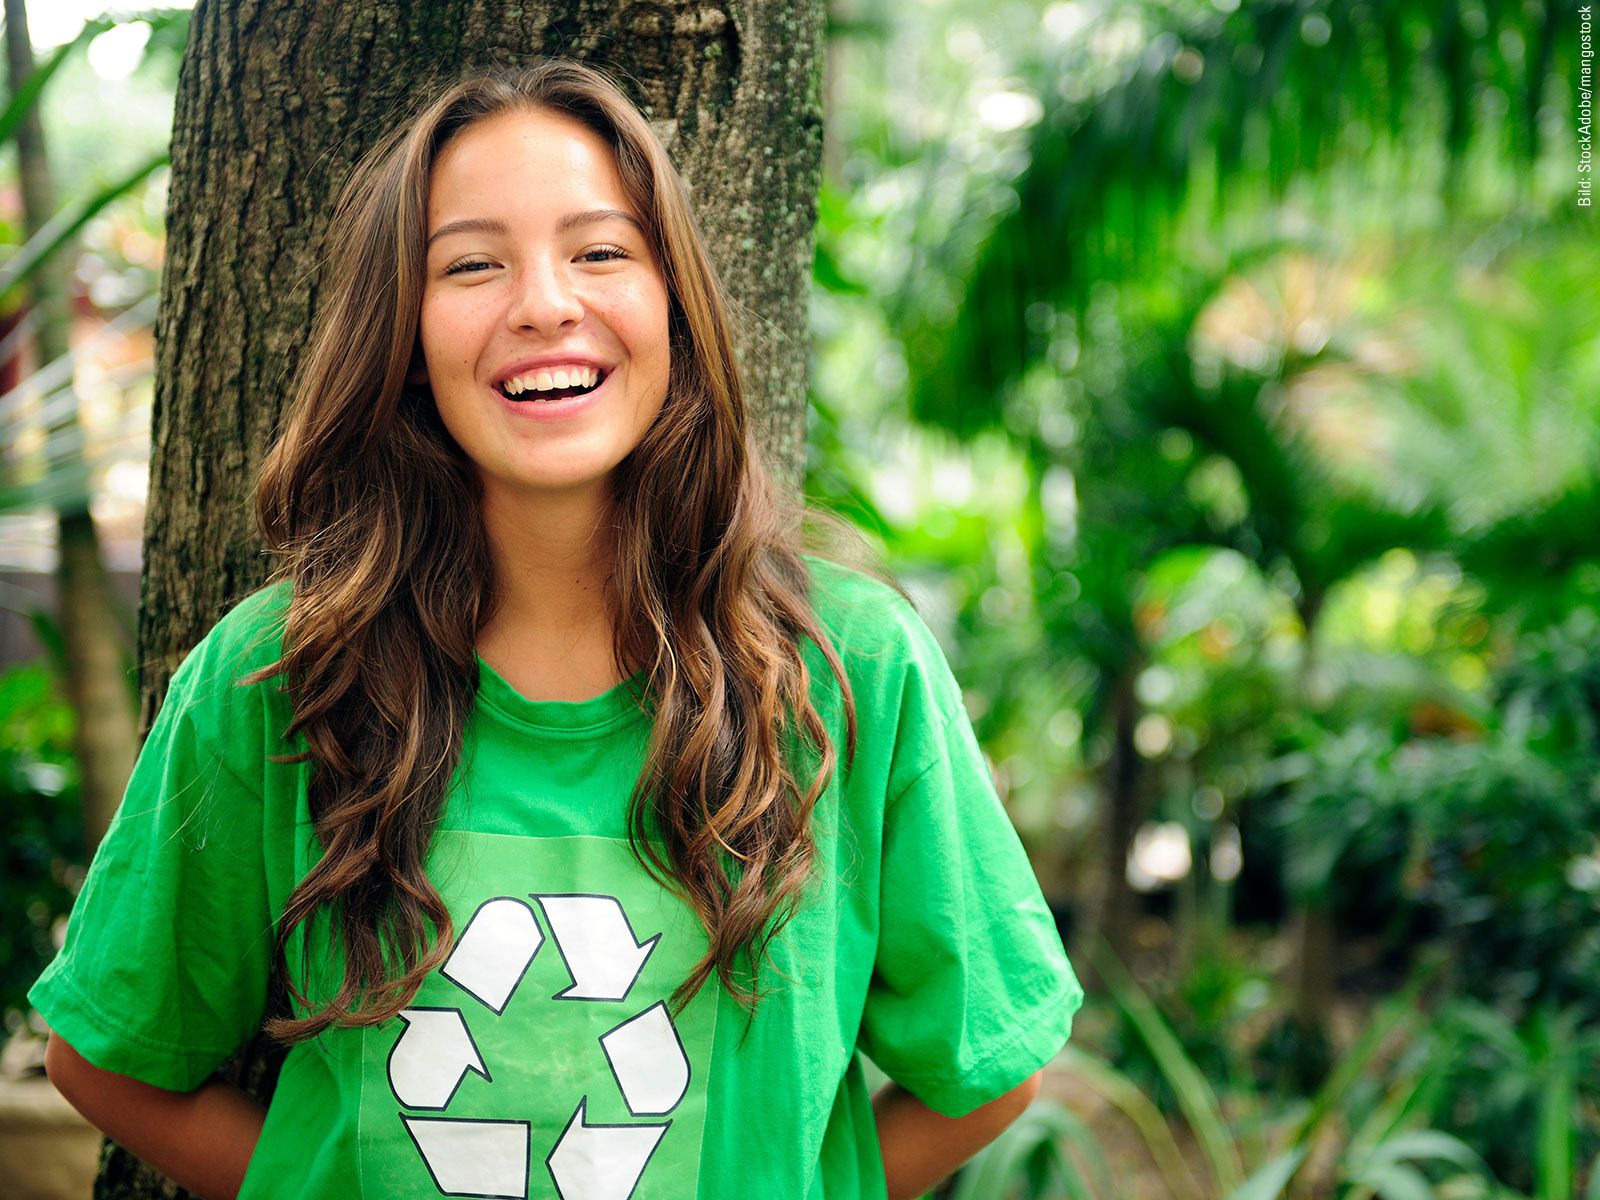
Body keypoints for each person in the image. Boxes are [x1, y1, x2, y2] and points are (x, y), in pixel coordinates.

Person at [31, 59, 1083, 1200]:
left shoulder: (851, 670)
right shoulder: (274, 678)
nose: (542, 303)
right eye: (471, 264)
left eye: (601, 251)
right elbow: (107, 1058)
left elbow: (988, 1066)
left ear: (675, 302)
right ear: (404, 331)